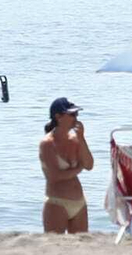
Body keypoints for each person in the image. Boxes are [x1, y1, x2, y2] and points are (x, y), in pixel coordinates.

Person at [40, 97, 94, 234]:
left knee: (81, 248)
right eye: (72, 114)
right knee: (55, 248)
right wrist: (78, 168)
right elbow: (54, 177)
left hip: (79, 203)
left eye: (76, 114)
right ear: (58, 117)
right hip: (57, 202)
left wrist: (82, 138)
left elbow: (89, 165)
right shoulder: (47, 143)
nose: (76, 118)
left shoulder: (75, 140)